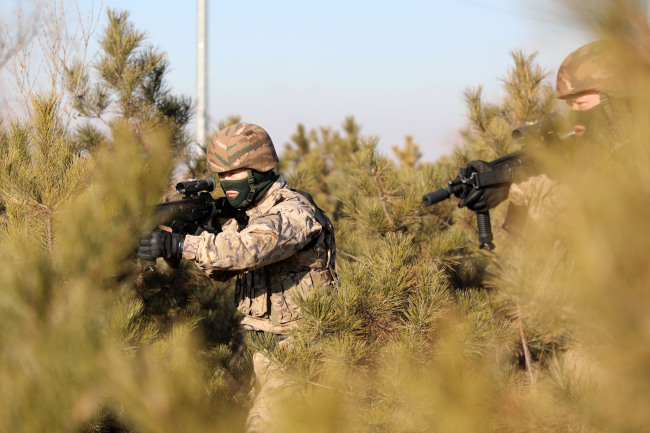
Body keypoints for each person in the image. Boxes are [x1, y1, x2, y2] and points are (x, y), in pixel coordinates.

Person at [137, 122, 337, 432]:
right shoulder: (246, 214)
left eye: (234, 174)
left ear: (258, 170)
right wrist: (191, 236)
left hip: (299, 350)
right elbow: (221, 268)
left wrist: (181, 243)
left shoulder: (295, 212)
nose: (226, 182)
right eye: (222, 175)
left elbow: (248, 249)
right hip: (257, 345)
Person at [461, 40, 625, 233]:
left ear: (616, 100)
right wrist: (498, 180)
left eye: (581, 104)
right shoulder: (589, 150)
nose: (574, 114)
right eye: (569, 106)